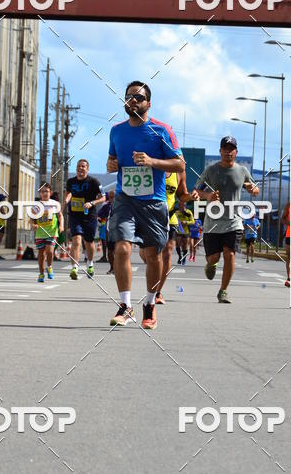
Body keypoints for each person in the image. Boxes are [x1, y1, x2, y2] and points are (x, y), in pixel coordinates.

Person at [107, 81, 185, 329]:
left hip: (153, 202)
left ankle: (149, 304)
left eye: (138, 98)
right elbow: (112, 160)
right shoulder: (116, 131)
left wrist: (152, 161)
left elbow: (180, 165)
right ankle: (125, 305)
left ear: (148, 104)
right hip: (125, 198)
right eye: (129, 97)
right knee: (121, 249)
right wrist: (111, 165)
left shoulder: (161, 131)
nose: (133, 101)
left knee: (153, 255)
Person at [183, 134, 259, 304]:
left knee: (230, 253)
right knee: (214, 258)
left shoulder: (242, 171)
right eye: (225, 149)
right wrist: (207, 195)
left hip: (233, 220)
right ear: (220, 151)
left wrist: (252, 188)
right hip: (213, 222)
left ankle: (223, 291)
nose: (228, 152)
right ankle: (210, 264)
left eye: (231, 149)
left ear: (236, 152)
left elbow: (254, 188)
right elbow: (196, 191)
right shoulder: (211, 170)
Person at [64, 159, 105, 280]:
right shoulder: (71, 181)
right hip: (75, 215)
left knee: (89, 242)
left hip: (89, 216)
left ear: (87, 169)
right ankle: (74, 268)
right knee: (76, 240)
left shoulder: (94, 182)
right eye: (78, 166)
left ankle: (90, 263)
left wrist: (92, 203)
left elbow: (103, 198)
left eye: (83, 166)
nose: (81, 168)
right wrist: (66, 200)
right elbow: (69, 193)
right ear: (76, 168)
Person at [155, 169, 187, 304]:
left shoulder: (178, 172)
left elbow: (182, 195)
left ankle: (158, 292)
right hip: (151, 216)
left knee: (167, 252)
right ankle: (154, 274)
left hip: (170, 218)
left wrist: (191, 196)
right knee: (149, 255)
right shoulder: (153, 168)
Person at [33, 182, 63, 282]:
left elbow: (60, 216)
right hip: (40, 233)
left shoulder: (54, 204)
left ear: (50, 193)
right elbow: (31, 218)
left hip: (52, 232)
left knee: (50, 252)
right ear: (39, 193)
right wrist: (33, 224)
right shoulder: (37, 205)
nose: (44, 193)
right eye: (42, 192)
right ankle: (41, 273)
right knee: (41, 254)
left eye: (46, 191)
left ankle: (49, 267)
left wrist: (61, 225)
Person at [281, 201, 291, 286]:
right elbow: (282, 218)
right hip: (290, 234)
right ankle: (289, 278)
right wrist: (290, 223)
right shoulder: (289, 204)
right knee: (289, 256)